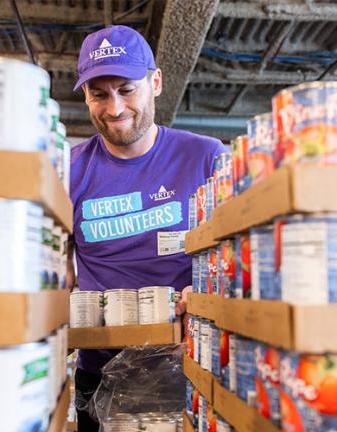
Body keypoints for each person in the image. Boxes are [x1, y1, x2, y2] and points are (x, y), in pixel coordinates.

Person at [68, 25, 225, 431]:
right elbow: (55, 268)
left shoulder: (205, 158)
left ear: (155, 83)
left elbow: (238, 253)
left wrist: (209, 295)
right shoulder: (69, 170)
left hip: (189, 363)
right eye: (99, 94)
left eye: (126, 89)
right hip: (100, 370)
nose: (115, 107)